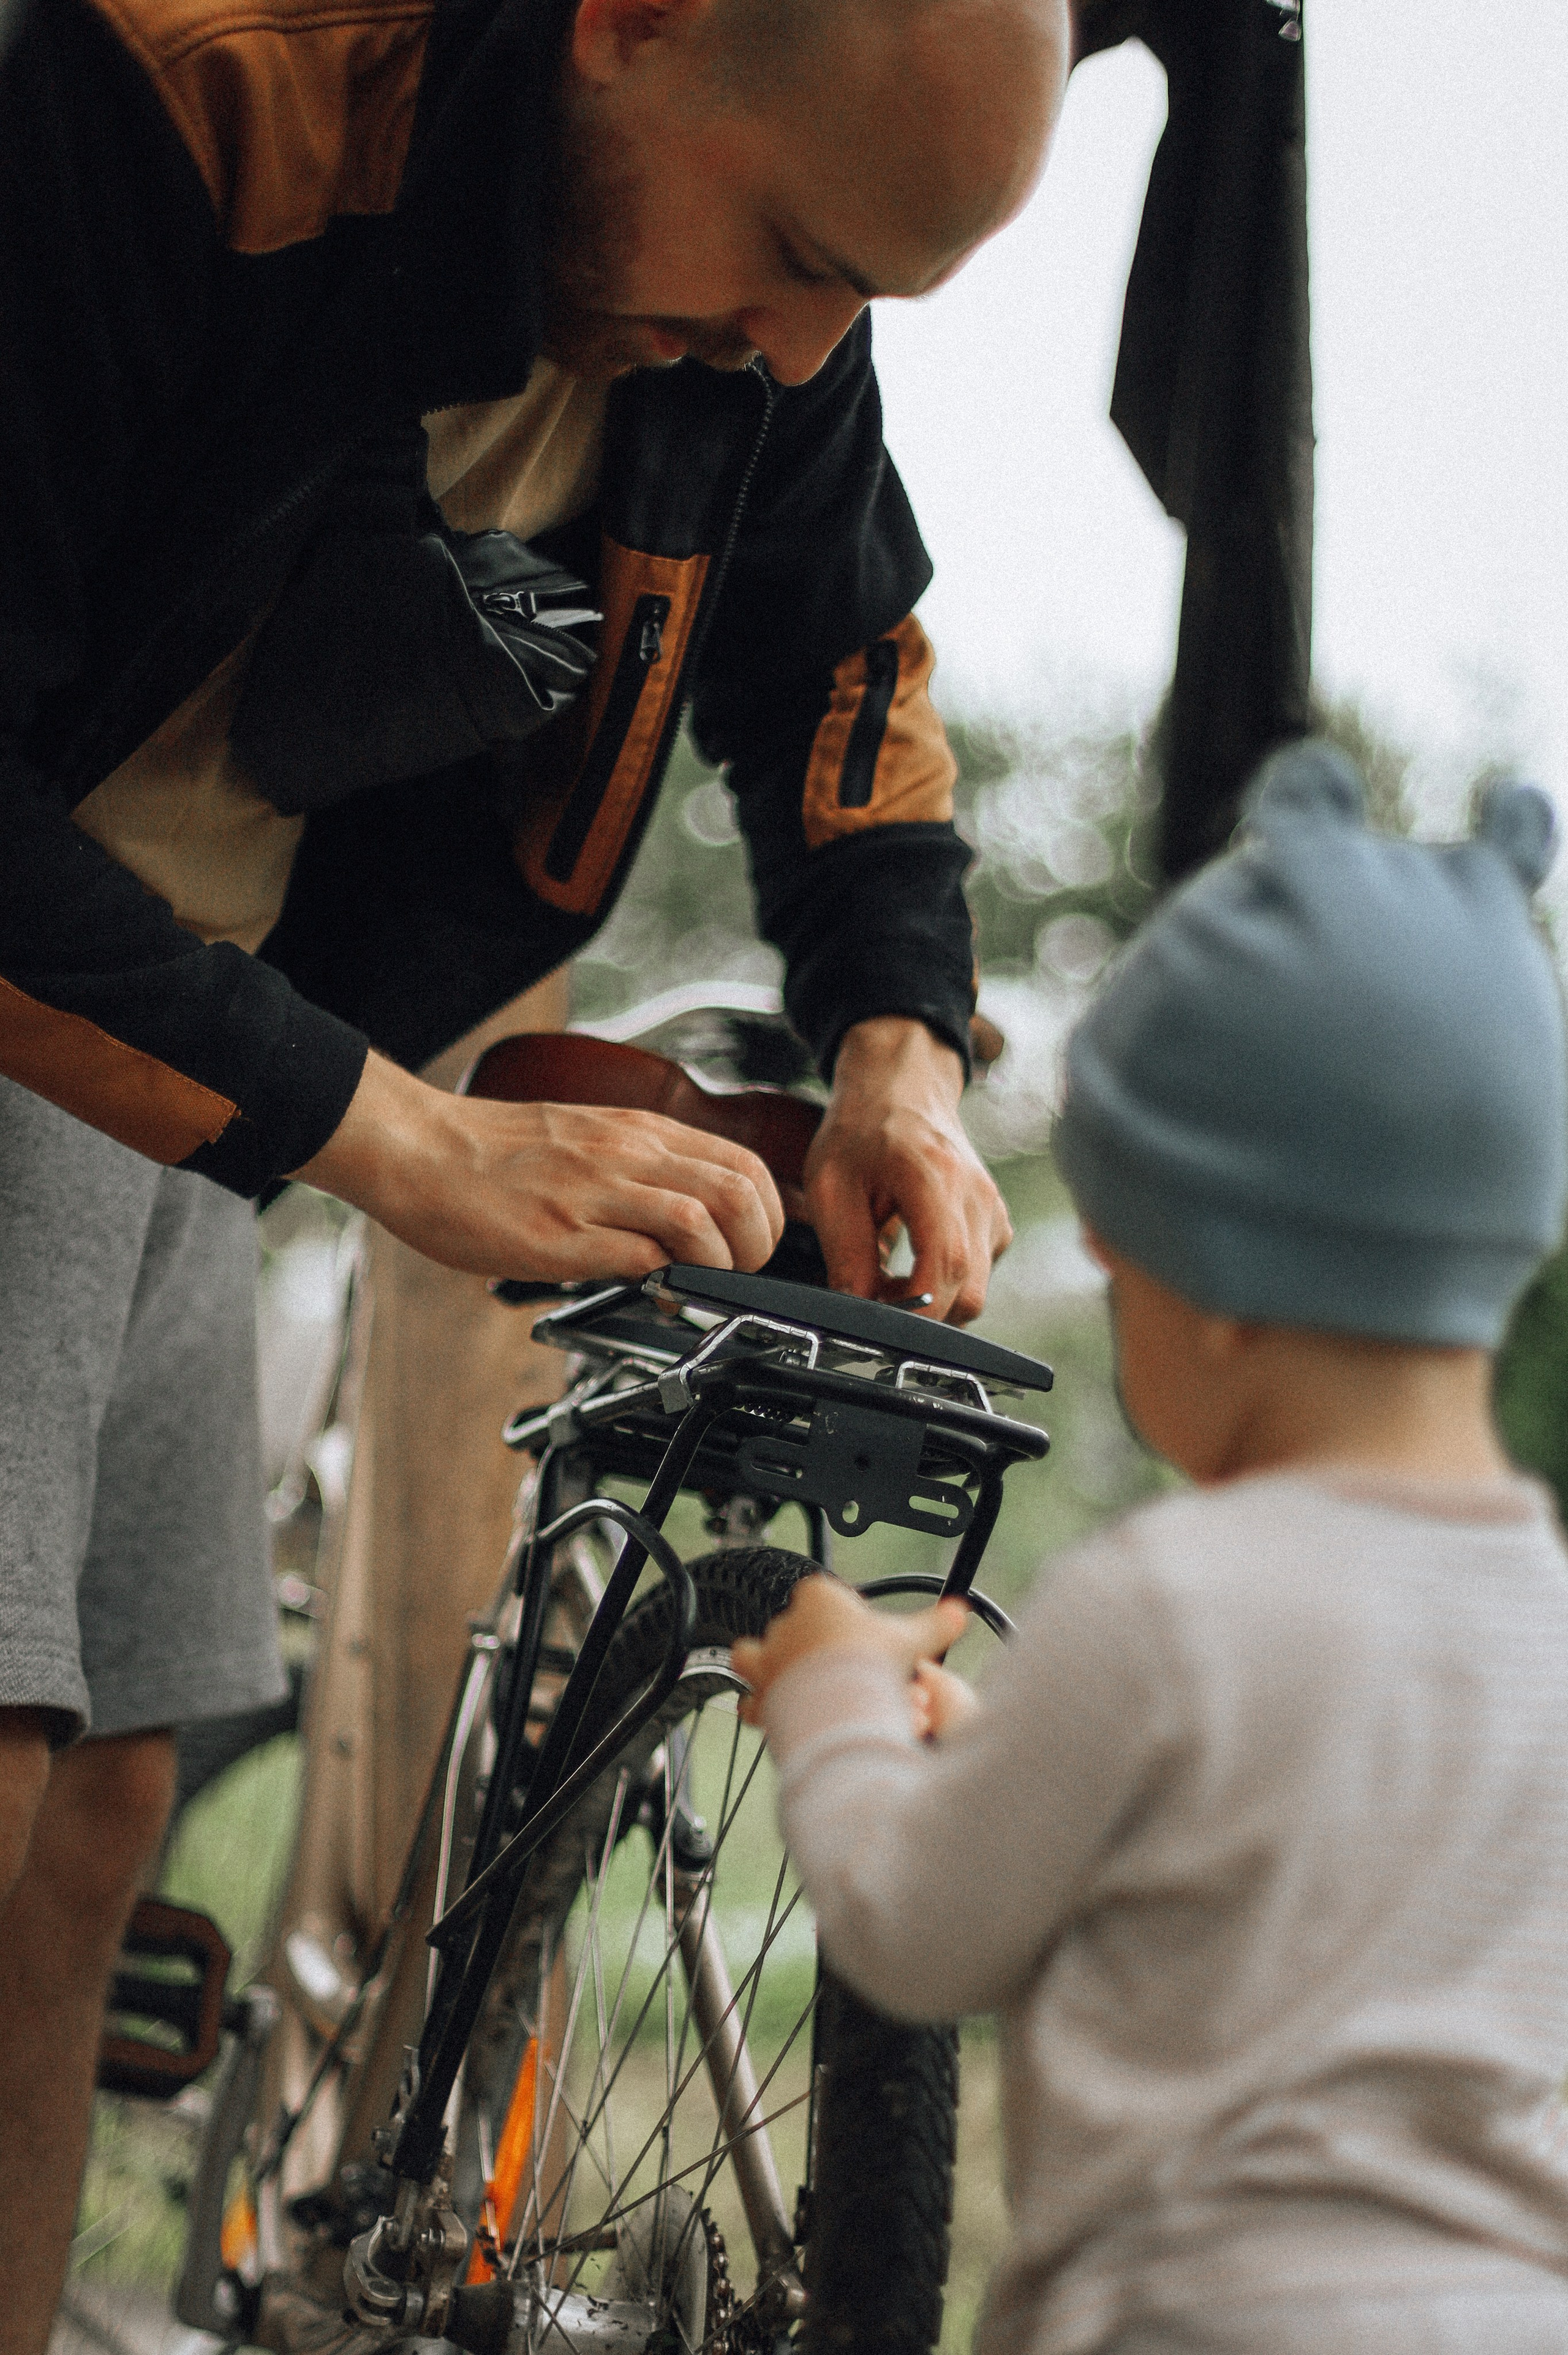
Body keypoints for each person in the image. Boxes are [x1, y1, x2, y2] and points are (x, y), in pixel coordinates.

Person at [0, 0, 1069, 2337]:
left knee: (92, 1818)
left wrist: (896, 1039)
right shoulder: (185, 91)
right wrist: (410, 1137)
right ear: (632, 22)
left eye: (862, 302)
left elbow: (840, 664)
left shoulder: (763, 331)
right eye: (795, 250)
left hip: (214, 1039)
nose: (799, 353)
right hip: (67, 970)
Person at [734, 743, 1568, 2354]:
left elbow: (914, 1924)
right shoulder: (1543, 1619)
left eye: (1117, 1265)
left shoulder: (1169, 1604)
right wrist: (1026, 1773)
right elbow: (1299, 1885)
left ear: (1221, 1287)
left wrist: (835, 1695)